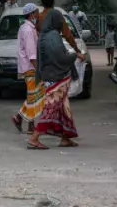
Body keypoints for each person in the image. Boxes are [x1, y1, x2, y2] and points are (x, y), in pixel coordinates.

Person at [28, 8, 83, 149]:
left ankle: (65, 138)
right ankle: (34, 138)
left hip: (48, 75)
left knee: (64, 108)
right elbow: (61, 57)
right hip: (57, 77)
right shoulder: (53, 36)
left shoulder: (43, 36)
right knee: (52, 107)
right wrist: (74, 55)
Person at [11, 3, 44, 133]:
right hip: (31, 67)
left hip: (28, 67)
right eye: (37, 13)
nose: (39, 15)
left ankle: (27, 122)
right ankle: (20, 117)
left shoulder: (26, 28)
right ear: (32, 14)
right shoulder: (29, 30)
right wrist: (38, 70)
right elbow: (32, 54)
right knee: (35, 96)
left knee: (33, 96)